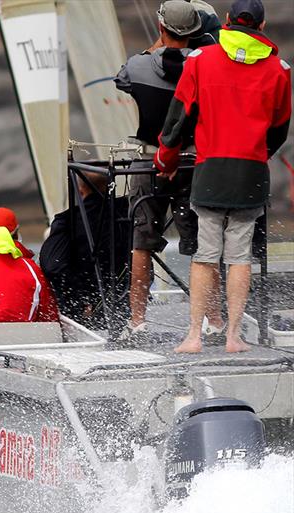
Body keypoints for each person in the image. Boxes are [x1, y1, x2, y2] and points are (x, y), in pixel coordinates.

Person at [154, 0, 291, 353]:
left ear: (227, 21)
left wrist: (165, 157)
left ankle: (194, 337)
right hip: (250, 171)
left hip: (211, 167)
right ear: (261, 26)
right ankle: (233, 337)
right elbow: (279, 129)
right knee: (240, 255)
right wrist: (261, 156)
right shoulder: (280, 69)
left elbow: (179, 117)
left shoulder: (201, 61)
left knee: (205, 254)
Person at [114, 0, 210, 341]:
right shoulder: (206, 66)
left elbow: (121, 79)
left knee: (142, 243)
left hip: (148, 160)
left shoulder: (139, 66)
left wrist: (155, 45)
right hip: (193, 161)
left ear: (161, 28)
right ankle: (211, 321)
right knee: (201, 244)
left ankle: (138, 321)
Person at [40, 172, 130, 329]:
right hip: (124, 306)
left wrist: (81, 299)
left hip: (81, 313)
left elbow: (53, 267)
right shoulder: (128, 213)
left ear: (80, 191)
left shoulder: (67, 221)